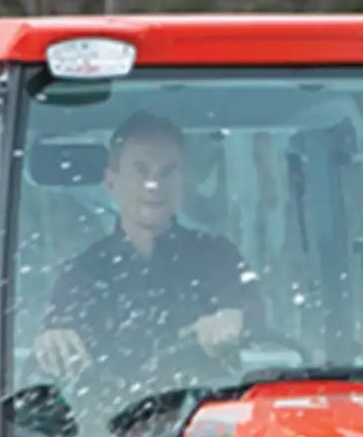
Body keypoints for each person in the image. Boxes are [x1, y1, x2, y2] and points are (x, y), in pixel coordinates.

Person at [33, 110, 262, 408]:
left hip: (209, 424)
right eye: (141, 170)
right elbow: (60, 327)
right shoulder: (83, 272)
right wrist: (53, 339)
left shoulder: (218, 256)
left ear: (183, 182)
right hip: (108, 429)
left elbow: (255, 311)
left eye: (167, 172)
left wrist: (236, 317)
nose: (154, 185)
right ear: (111, 183)